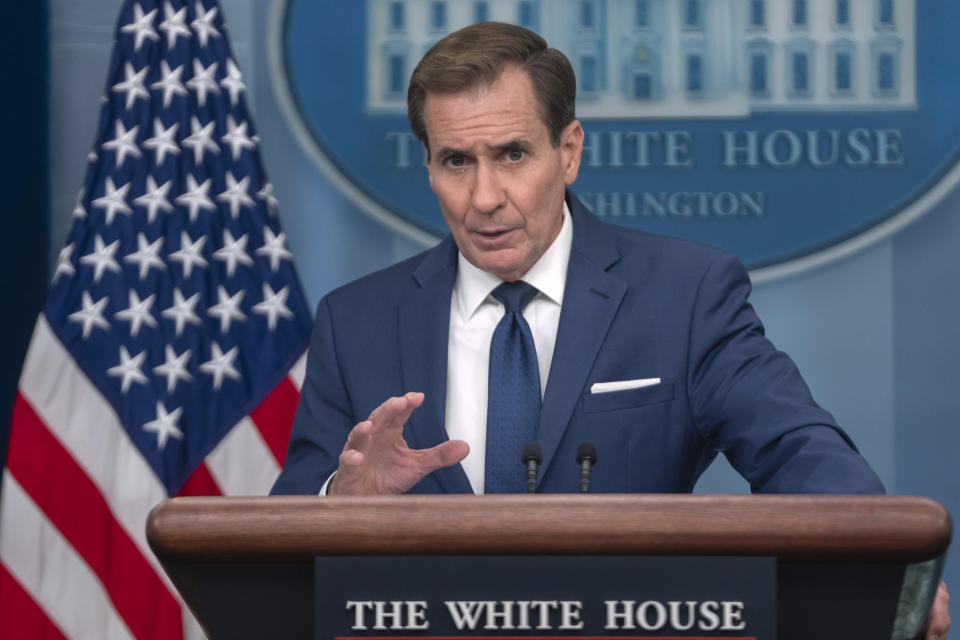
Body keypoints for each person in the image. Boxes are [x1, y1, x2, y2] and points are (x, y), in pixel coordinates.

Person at [271, 22, 948, 637]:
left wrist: (880, 570)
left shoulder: (683, 295)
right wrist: (344, 501)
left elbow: (797, 449)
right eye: (456, 162)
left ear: (568, 152)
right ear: (428, 166)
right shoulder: (354, 322)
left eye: (511, 154)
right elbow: (281, 538)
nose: (483, 198)